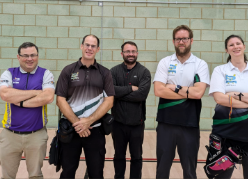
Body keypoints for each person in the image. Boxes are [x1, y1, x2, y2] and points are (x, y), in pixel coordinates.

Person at [208, 35, 248, 179]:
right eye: (231, 45)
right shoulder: (220, 71)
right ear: (226, 50)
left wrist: (235, 94)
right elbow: (219, 98)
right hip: (225, 135)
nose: (235, 47)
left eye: (238, 43)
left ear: (244, 46)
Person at [153, 25, 210, 179]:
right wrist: (188, 92)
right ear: (173, 41)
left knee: (190, 171)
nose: (181, 42)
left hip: (190, 125)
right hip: (166, 124)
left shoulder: (200, 64)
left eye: (185, 38)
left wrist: (174, 87)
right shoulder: (165, 62)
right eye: (178, 39)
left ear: (191, 40)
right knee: (162, 170)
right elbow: (158, 90)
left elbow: (198, 93)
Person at [55, 34, 115, 179]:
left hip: (95, 131)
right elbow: (60, 99)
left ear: (98, 49)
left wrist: (88, 121)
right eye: (87, 45)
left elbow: (109, 101)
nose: (89, 48)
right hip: (71, 130)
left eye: (93, 46)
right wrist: (78, 123)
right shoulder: (68, 70)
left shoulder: (105, 73)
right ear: (81, 46)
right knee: (68, 172)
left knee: (96, 173)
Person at [0, 42, 55, 179]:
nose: (29, 59)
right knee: (7, 176)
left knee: (36, 175)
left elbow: (48, 97)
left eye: (33, 55)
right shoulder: (9, 73)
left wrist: (20, 101)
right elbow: (5, 94)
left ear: (37, 56)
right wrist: (36, 92)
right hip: (10, 135)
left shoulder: (45, 74)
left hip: (36, 135)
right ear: (18, 57)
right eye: (25, 56)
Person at [110, 41, 151, 179]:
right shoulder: (114, 71)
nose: (131, 54)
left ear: (137, 53)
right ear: (122, 54)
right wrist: (130, 88)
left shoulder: (144, 72)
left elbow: (141, 95)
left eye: (133, 51)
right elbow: (110, 91)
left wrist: (120, 95)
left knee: (136, 157)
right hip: (118, 123)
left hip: (137, 125)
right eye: (127, 51)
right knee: (119, 156)